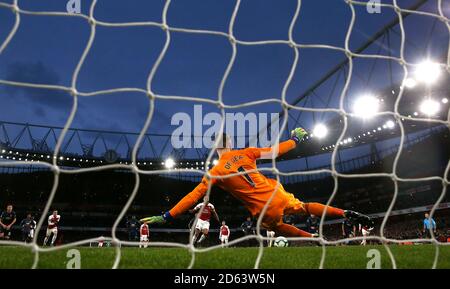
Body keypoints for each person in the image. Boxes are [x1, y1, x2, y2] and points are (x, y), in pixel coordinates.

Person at [141, 129, 373, 239]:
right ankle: (345, 212)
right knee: (304, 206)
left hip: (263, 209)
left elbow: (193, 197)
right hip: (276, 192)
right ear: (230, 143)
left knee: (276, 227)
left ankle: (313, 238)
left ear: (216, 149)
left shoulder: (215, 172)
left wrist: (167, 216)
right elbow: (275, 152)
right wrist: (295, 140)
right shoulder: (247, 152)